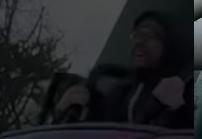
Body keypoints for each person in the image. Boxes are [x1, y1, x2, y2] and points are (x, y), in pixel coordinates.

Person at [54, 10, 192, 128]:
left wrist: (176, 109)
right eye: (136, 35)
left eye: (149, 35)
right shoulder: (117, 93)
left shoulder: (186, 88)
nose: (139, 42)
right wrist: (62, 112)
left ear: (167, 44)